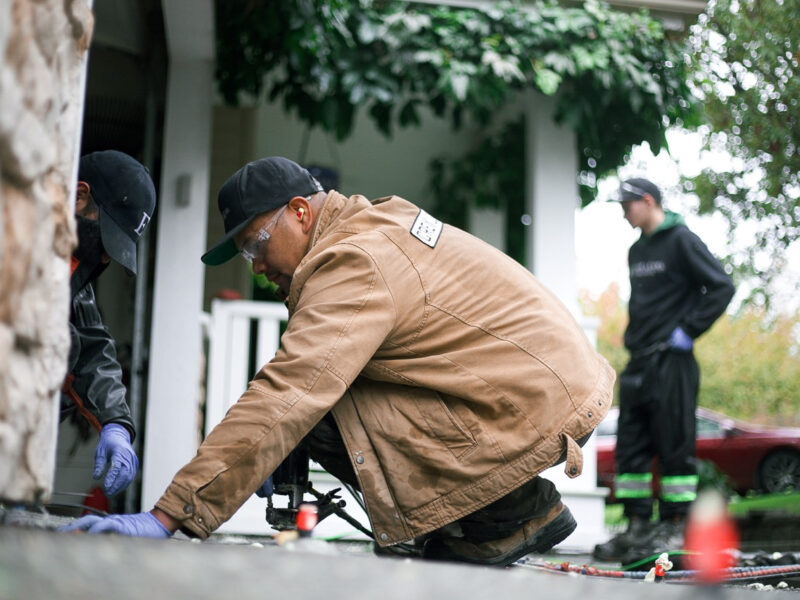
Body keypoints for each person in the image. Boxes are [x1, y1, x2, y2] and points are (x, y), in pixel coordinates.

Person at [63, 157, 614, 567]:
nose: (255, 267)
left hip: (529, 406)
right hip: (531, 394)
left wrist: (168, 516)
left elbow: (288, 392)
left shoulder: (355, 261)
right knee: (323, 401)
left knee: (313, 405)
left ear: (300, 213)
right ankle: (491, 515)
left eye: (255, 246)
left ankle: (508, 515)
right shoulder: (365, 232)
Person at [593, 178, 734, 563]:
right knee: (631, 447)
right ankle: (637, 527)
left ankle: (673, 526)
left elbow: (721, 286)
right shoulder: (637, 251)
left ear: (648, 201)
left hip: (673, 361)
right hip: (639, 361)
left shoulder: (682, 241)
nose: (624, 212)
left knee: (675, 446)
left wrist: (688, 331)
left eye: (628, 205)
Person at [61, 150, 156, 498]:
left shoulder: (70, 271)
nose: (104, 256)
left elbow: (90, 347)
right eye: (105, 236)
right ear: (79, 196)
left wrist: (116, 424)